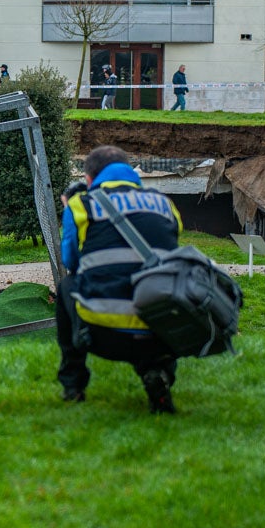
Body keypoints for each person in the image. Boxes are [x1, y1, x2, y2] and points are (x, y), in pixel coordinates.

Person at [57, 145, 182, 414]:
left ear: (89, 179)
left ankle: (73, 385)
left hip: (102, 333)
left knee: (66, 286)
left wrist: (70, 212)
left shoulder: (81, 206)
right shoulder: (165, 204)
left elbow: (71, 262)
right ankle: (158, 370)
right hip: (163, 330)